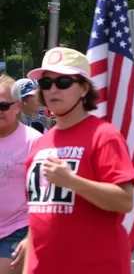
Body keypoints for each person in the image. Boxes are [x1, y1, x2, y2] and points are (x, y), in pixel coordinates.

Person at [21, 47, 134, 273]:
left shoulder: (104, 136)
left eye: (63, 82)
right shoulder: (40, 144)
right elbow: (36, 214)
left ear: (84, 88)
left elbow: (125, 200)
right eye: (46, 83)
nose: (53, 89)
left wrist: (73, 182)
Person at [0, 76, 42, 274]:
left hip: (17, 230)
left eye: (3, 106)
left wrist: (32, 236)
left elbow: (43, 197)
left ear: (17, 106)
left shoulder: (33, 142)